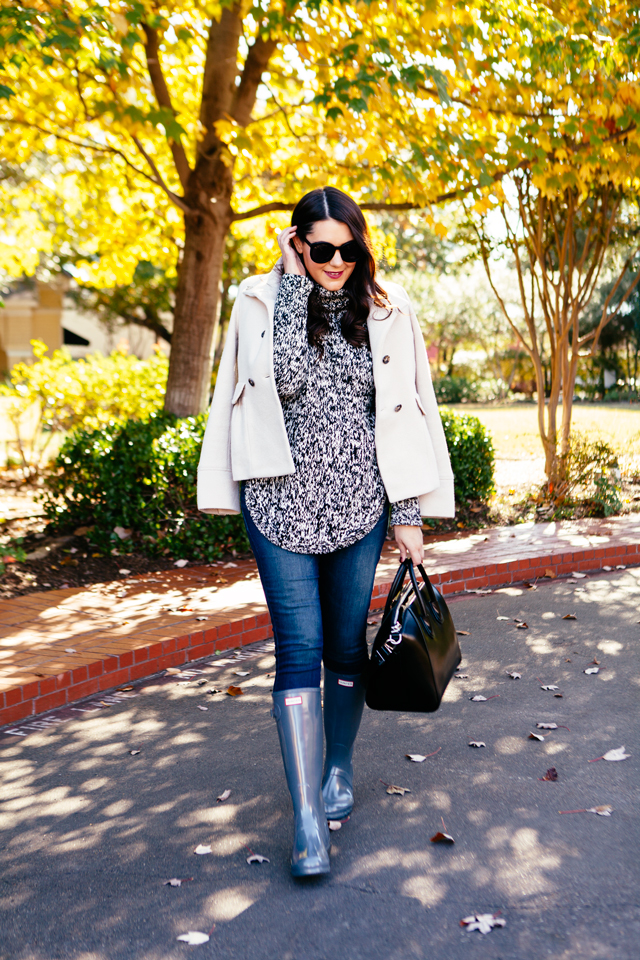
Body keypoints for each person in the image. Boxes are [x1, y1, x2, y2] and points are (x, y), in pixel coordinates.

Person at [197, 186, 454, 877]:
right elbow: (278, 382)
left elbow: (406, 415)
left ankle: (338, 767)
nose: (336, 261)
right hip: (278, 504)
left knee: (344, 646)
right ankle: (308, 817)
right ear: (297, 244)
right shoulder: (259, 301)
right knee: (299, 648)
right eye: (320, 249)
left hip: (359, 506)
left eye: (348, 248)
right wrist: (290, 286)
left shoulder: (388, 309)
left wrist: (407, 514)